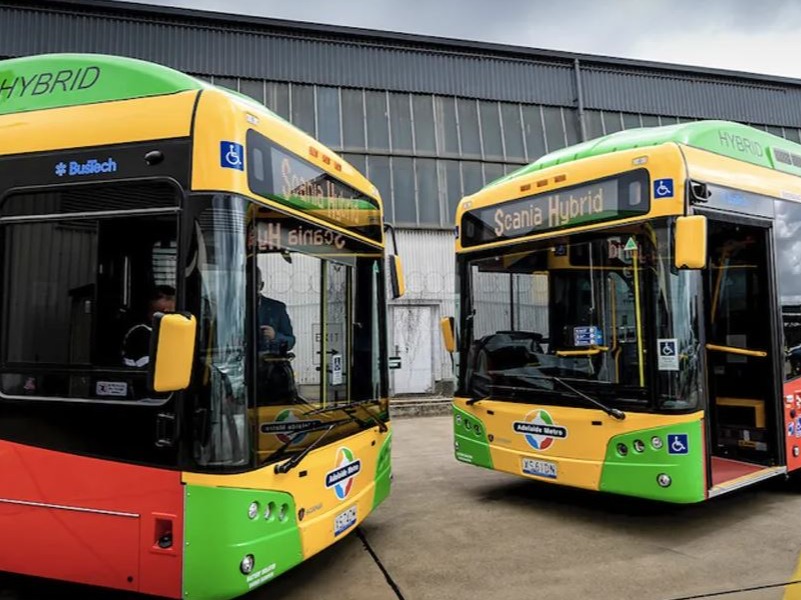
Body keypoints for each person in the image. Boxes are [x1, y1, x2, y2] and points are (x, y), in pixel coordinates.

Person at [122, 285, 176, 368]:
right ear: (152, 302)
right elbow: (148, 366)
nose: (173, 303)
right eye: (168, 299)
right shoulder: (141, 331)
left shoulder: (163, 330)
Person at [256, 267, 295, 355]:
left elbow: (291, 340)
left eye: (254, 285)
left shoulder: (276, 308)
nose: (249, 289)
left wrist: (275, 336)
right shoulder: (231, 309)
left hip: (268, 363)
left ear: (262, 285)